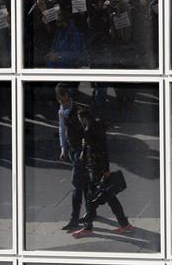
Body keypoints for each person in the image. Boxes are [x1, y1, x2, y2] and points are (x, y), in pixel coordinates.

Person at [72, 108, 133, 238]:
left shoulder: (90, 130)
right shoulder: (97, 128)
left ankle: (88, 227)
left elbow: (98, 150)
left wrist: (102, 168)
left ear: (84, 119)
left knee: (92, 198)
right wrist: (106, 168)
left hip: (96, 169)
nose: (80, 122)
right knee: (110, 197)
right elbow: (102, 149)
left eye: (80, 119)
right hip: (99, 168)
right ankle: (124, 224)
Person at [55, 84, 88, 231]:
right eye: (61, 101)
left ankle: (75, 218)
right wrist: (63, 148)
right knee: (84, 182)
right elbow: (62, 129)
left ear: (70, 97)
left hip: (81, 151)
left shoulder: (79, 110)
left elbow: (87, 132)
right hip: (73, 150)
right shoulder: (61, 111)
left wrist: (83, 150)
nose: (64, 103)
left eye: (66, 100)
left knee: (77, 183)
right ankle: (90, 212)